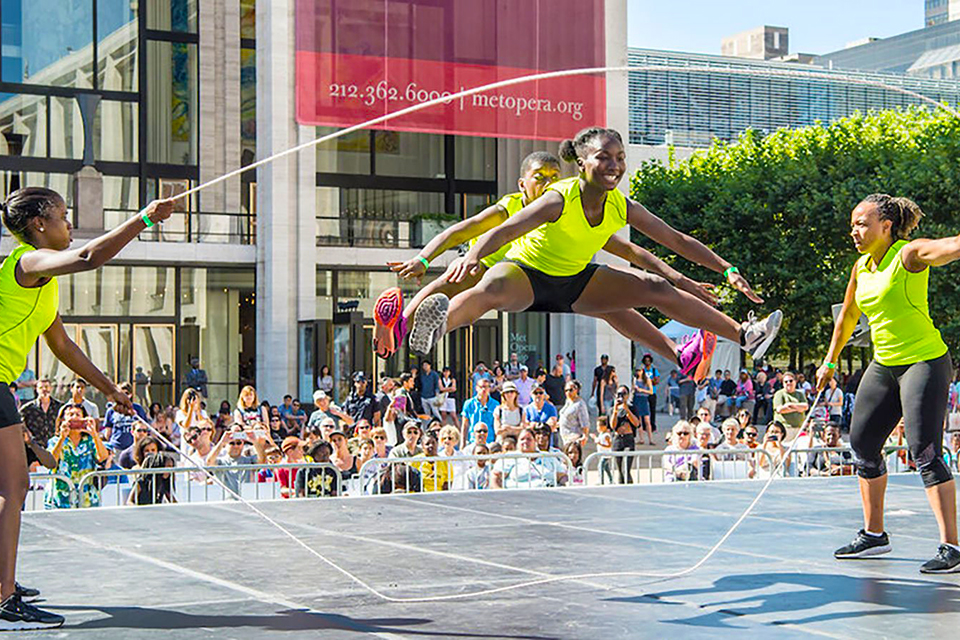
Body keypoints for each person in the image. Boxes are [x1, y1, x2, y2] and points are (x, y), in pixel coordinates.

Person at [407, 129, 782, 387]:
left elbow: (675, 239)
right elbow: (503, 231)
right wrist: (471, 255)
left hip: (575, 282)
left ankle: (744, 334)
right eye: (604, 157)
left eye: (619, 157)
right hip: (528, 274)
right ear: (583, 162)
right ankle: (437, 329)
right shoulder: (559, 197)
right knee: (492, 286)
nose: (614, 165)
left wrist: (727, 268)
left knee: (651, 287)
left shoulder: (621, 206)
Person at [0, 188, 173, 628]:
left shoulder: (44, 284)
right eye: (62, 215)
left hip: (2, 385)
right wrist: (145, 219)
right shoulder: (26, 261)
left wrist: (110, 388)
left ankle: (2, 583)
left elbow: (62, 346)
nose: (69, 224)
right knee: (14, 488)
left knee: (12, 487)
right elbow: (89, 257)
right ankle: (3, 595)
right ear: (38, 224)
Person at [375, 151, 722, 363]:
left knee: (613, 307)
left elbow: (630, 249)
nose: (546, 184)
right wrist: (423, 258)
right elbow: (461, 231)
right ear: (522, 183)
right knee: (462, 276)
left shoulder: (564, 210)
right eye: (539, 179)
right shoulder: (509, 206)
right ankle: (403, 323)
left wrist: (682, 279)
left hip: (549, 284)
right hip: (497, 273)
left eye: (554, 178)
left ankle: (679, 354)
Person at [818, 193, 960, 572]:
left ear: (886, 226)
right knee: (862, 444)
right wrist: (830, 361)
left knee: (925, 452)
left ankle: (952, 546)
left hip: (924, 361)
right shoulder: (861, 267)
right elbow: (848, 316)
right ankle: (874, 535)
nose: (855, 231)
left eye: (862, 224)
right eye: (852, 225)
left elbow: (944, 248)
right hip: (884, 364)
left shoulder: (908, 254)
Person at [491, 428, 567, 489]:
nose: (525, 442)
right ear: (517, 442)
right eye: (522, 439)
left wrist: (567, 485)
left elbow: (562, 476)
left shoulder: (548, 457)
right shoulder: (509, 458)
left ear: (535, 441)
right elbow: (495, 477)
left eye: (529, 439)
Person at [205, 428, 268, 496]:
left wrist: (255, 442)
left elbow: (262, 461)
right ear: (226, 445)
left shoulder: (249, 460)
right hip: (226, 501)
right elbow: (209, 462)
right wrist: (222, 442)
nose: (236, 446)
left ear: (243, 444)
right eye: (232, 443)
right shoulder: (221, 461)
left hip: (246, 498)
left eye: (238, 443)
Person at [101, 382, 149, 455]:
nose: (124, 397)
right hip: (116, 447)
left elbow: (144, 427)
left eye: (126, 394)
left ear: (130, 395)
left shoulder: (138, 409)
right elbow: (108, 431)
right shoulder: (111, 410)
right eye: (121, 394)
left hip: (133, 447)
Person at [19, 378, 62, 447]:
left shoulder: (60, 407)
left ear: (51, 388)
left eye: (46, 387)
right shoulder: (27, 408)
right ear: (36, 389)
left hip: (55, 445)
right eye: (41, 387)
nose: (44, 389)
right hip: (35, 447)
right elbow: (20, 423)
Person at [610, 385, 639, 484]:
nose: (621, 396)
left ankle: (629, 487)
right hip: (618, 440)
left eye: (623, 394)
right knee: (619, 470)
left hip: (628, 439)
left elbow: (636, 423)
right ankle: (620, 487)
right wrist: (615, 410)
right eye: (619, 394)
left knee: (626, 468)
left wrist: (627, 410)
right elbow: (612, 426)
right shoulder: (613, 409)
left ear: (628, 395)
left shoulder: (632, 407)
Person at [460, 377, 498, 446]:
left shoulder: (495, 404)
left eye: (486, 387)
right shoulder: (469, 404)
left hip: (490, 441)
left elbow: (497, 425)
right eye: (481, 387)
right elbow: (465, 425)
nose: (484, 389)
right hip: (473, 441)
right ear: (476, 388)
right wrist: (463, 443)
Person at [772, 372, 809, 440]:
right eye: (786, 381)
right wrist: (798, 408)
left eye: (791, 381)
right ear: (783, 383)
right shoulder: (779, 394)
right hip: (785, 428)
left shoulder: (800, 394)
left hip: (799, 428)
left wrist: (790, 405)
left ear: (795, 382)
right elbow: (780, 410)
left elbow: (805, 406)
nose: (788, 383)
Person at [558, 379, 590, 448]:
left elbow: (585, 422)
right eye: (566, 390)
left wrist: (585, 436)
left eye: (570, 390)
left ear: (576, 390)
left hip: (574, 437)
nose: (568, 392)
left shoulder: (580, 404)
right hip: (564, 437)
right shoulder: (568, 401)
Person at [632, 368, 654, 445]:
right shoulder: (634, 380)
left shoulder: (647, 380)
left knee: (647, 421)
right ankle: (641, 439)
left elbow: (651, 391)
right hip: (637, 399)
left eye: (639, 371)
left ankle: (650, 439)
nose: (638, 372)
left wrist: (642, 390)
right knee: (639, 420)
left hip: (644, 399)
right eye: (637, 371)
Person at [640, 354, 660, 432]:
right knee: (643, 410)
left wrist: (649, 381)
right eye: (646, 361)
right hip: (644, 393)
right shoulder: (642, 370)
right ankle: (644, 426)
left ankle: (653, 426)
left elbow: (657, 381)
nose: (647, 362)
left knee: (652, 410)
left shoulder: (654, 370)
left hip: (652, 392)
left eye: (648, 361)